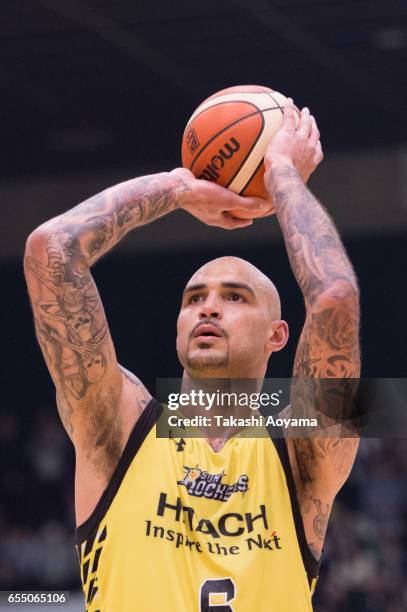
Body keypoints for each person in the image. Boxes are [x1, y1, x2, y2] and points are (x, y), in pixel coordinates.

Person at [24, 102, 360, 611]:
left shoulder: (299, 453)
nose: (208, 307)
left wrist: (283, 174)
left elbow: (335, 298)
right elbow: (51, 249)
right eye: (193, 297)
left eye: (235, 296)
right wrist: (179, 188)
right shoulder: (120, 425)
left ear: (278, 335)